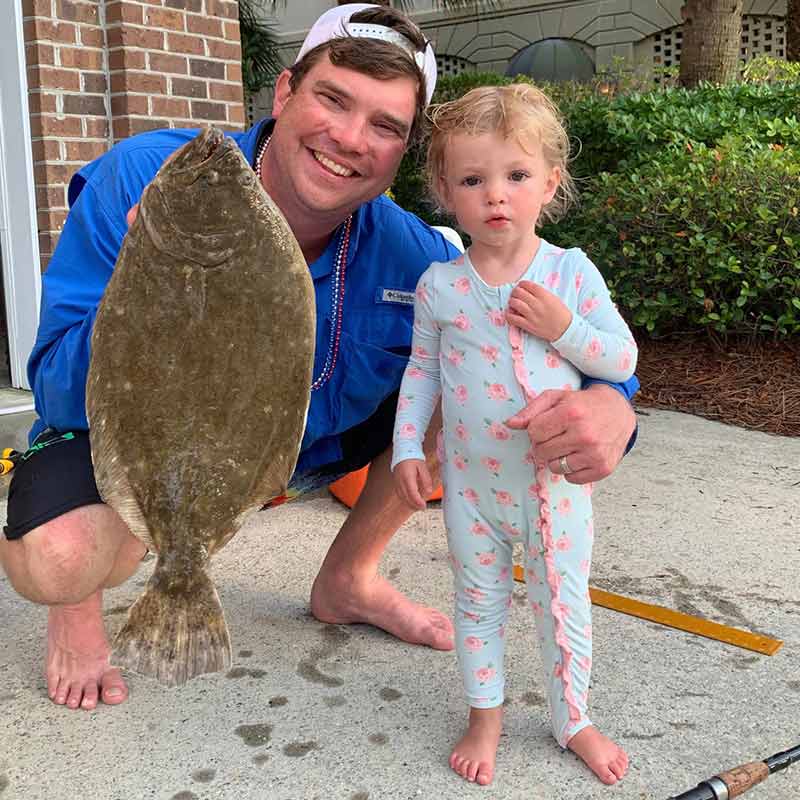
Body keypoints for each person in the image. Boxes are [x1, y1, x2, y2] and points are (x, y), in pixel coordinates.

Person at [0, 4, 638, 713]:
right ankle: (78, 613)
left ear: (403, 153)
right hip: (147, 442)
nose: (350, 138)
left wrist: (614, 403)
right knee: (62, 555)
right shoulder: (151, 181)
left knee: (457, 373)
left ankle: (348, 577)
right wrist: (149, 290)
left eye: (385, 126)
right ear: (284, 92)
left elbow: (529, 333)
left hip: (301, 447)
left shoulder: (410, 255)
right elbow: (55, 387)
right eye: (333, 99)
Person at [392, 84, 637, 787]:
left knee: (562, 604)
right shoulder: (440, 285)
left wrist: (566, 329)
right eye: (473, 180)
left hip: (552, 487)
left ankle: (573, 718)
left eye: (517, 175)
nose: (496, 195)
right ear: (445, 191)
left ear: (550, 183)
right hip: (471, 486)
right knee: (477, 600)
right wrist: (408, 448)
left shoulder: (569, 272)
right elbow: (421, 373)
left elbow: (622, 360)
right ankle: (485, 714)